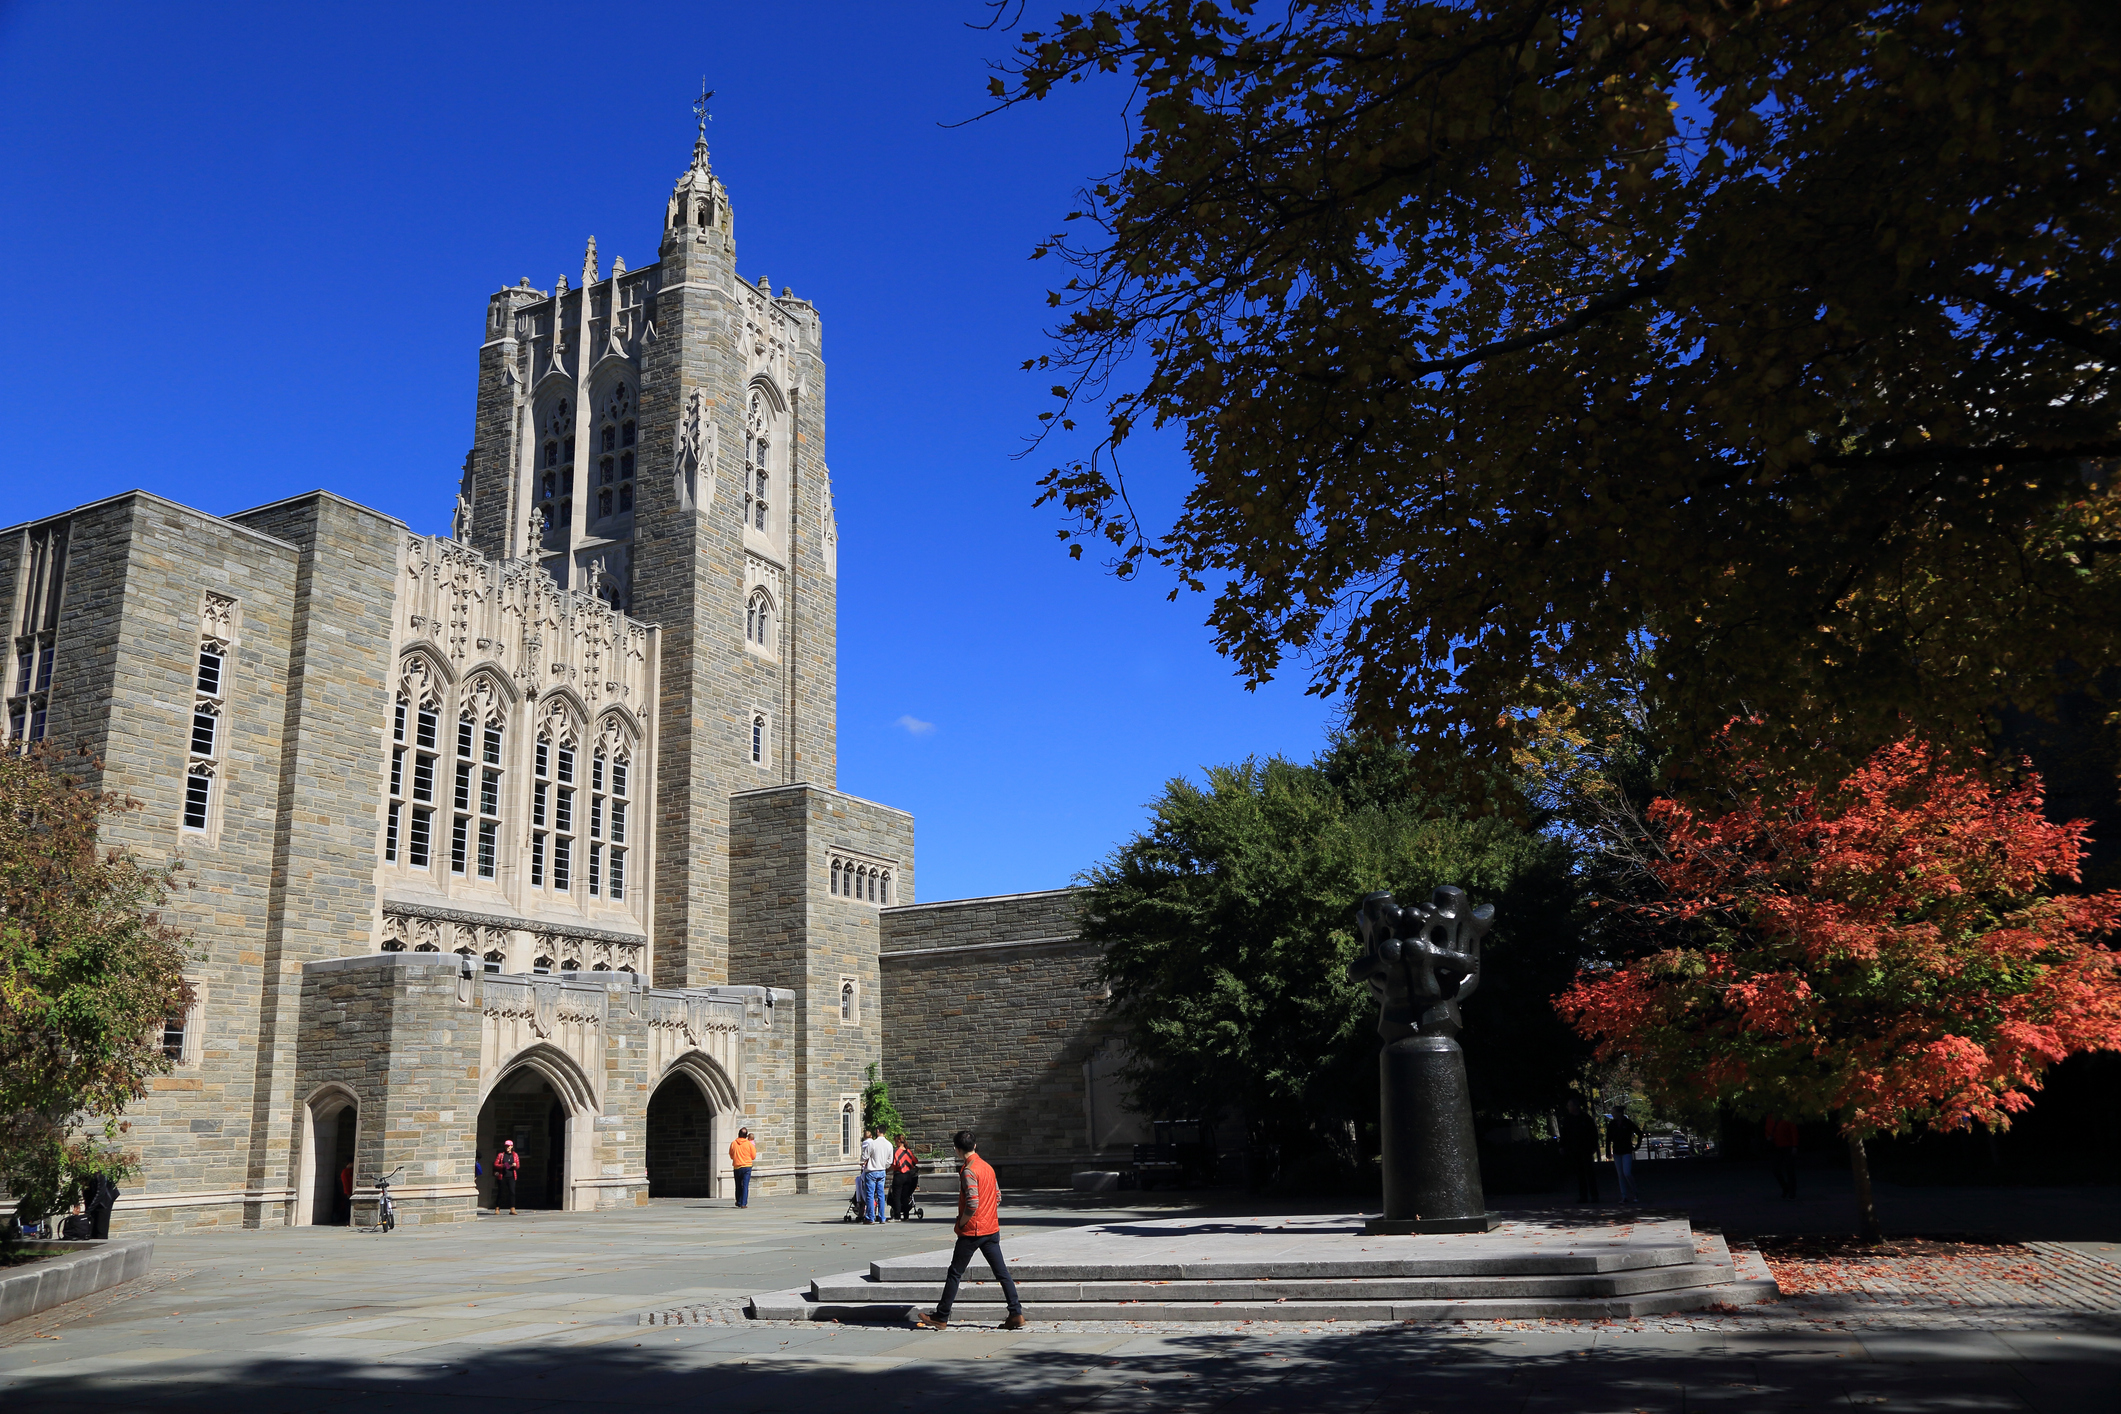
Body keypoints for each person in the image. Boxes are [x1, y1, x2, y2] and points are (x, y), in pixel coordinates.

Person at [915, 1130, 1025, 1331]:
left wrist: (961, 1223)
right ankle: (1016, 1312)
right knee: (1002, 1273)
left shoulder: (969, 1170)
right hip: (991, 1228)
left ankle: (941, 1316)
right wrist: (988, 1212)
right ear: (975, 1146)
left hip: (973, 1231)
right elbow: (998, 1197)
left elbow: (972, 1203)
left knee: (955, 1272)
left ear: (957, 1150)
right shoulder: (988, 1167)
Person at [1560, 1097, 1600, 1204]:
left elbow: (1593, 1133)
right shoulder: (1567, 1119)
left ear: (1575, 1106)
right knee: (1579, 1174)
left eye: (1570, 1105)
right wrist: (1563, 1146)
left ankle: (1594, 1195)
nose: (1568, 1108)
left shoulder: (1586, 1118)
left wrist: (1594, 1146)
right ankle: (1583, 1196)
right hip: (1574, 1149)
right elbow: (1564, 1134)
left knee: (1589, 1173)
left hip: (1586, 1149)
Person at [1606, 1111, 1643, 1204]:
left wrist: (1638, 1145)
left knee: (1627, 1172)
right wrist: (1608, 1151)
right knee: (1620, 1175)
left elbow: (1639, 1132)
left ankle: (1635, 1192)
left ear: (1620, 1114)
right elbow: (1608, 1138)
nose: (1613, 1115)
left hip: (1627, 1150)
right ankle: (1624, 1196)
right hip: (1617, 1151)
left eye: (1615, 1113)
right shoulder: (1612, 1124)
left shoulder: (1628, 1123)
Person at [859, 1124, 893, 1223]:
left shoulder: (873, 1144)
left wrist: (863, 1162)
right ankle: (882, 1217)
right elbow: (889, 1161)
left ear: (878, 1131)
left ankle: (870, 1217)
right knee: (881, 1194)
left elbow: (864, 1156)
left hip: (872, 1171)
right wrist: (883, 1165)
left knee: (870, 1194)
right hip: (882, 1171)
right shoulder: (889, 1144)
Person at [1765, 1116, 1801, 1199]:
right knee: (1776, 1169)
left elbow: (1793, 1131)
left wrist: (1794, 1145)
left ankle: (1791, 1191)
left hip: (1787, 1146)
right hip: (1776, 1147)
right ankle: (1786, 1188)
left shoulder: (1786, 1117)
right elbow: (1767, 1130)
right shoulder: (1770, 1117)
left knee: (1790, 1170)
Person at [889, 1133, 921, 1221]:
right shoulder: (908, 1151)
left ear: (899, 1141)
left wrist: (887, 1170)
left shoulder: (897, 1152)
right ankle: (906, 1216)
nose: (895, 1143)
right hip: (908, 1175)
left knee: (896, 1196)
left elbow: (894, 1164)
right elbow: (914, 1161)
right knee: (905, 1196)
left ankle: (897, 1216)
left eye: (896, 1141)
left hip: (899, 1175)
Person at [84, 1172, 119, 1239]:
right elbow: (86, 1192)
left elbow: (100, 1193)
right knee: (92, 1228)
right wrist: (88, 1209)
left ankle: (101, 1245)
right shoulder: (86, 1173)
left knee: (101, 1229)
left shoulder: (100, 1174)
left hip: (105, 1201)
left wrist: (89, 1210)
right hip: (94, 1200)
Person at [729, 1127, 757, 1208]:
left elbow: (731, 1155)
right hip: (747, 1166)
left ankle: (738, 1201)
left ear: (738, 1134)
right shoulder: (749, 1144)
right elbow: (753, 1156)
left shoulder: (734, 1143)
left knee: (738, 1185)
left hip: (737, 1167)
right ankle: (743, 1203)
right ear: (746, 1136)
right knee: (745, 1185)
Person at [494, 1137, 522, 1214]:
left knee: (512, 1192)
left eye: (509, 1146)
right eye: (506, 1146)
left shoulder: (515, 1155)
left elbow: (518, 1166)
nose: (507, 1147)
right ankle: (497, 1207)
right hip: (502, 1176)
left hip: (511, 1176)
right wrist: (502, 1165)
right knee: (501, 1192)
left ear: (512, 1146)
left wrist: (515, 1165)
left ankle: (512, 1208)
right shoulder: (501, 1155)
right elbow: (495, 1164)